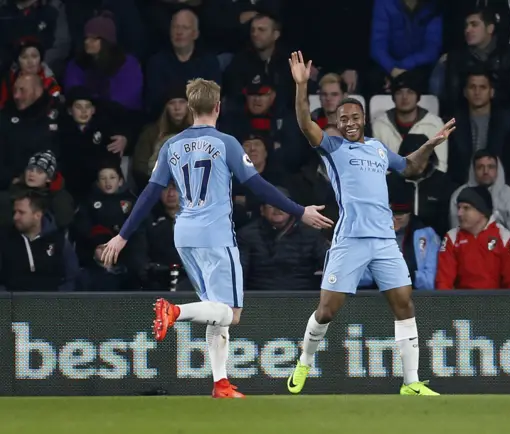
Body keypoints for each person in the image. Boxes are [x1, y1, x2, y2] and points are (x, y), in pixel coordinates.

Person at [100, 78, 332, 399]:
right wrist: (298, 211)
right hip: (216, 234)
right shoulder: (226, 143)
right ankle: (175, 312)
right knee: (231, 313)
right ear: (218, 107)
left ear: (191, 108)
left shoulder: (171, 145)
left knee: (213, 310)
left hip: (184, 233)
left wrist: (121, 237)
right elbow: (258, 186)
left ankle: (221, 383)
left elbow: (150, 194)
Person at [286, 51, 455, 396]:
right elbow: (305, 124)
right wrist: (302, 86)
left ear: (363, 119)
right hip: (349, 240)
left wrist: (430, 144)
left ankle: (410, 383)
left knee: (404, 304)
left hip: (383, 240)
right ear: (336, 121)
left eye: (353, 117)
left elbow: (407, 167)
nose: (347, 122)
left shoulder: (378, 149)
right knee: (327, 311)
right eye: (341, 117)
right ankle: (304, 361)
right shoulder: (332, 147)